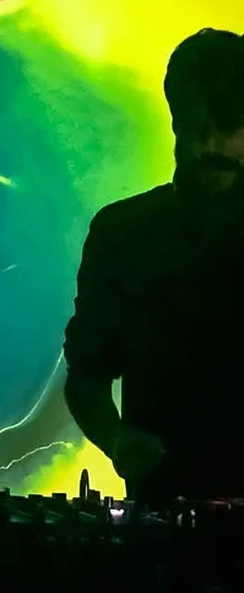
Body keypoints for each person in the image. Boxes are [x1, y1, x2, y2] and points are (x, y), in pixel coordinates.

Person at [63, 28, 244, 506]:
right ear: (175, 120)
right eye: (195, 127)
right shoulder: (122, 234)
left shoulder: (124, 230)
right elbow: (86, 378)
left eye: (227, 126)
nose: (209, 146)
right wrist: (117, 440)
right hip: (163, 515)